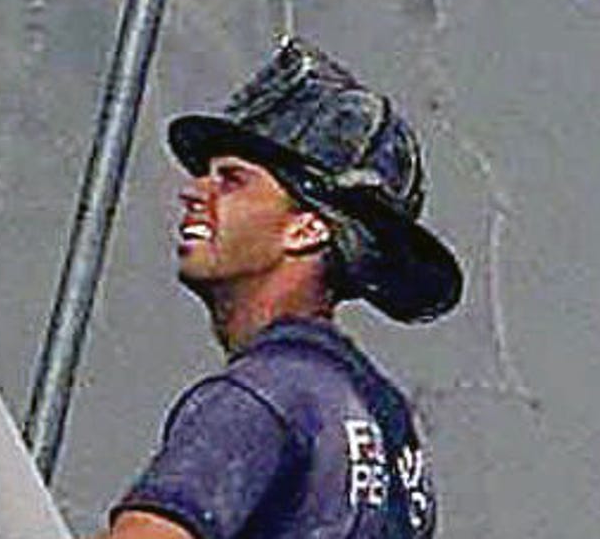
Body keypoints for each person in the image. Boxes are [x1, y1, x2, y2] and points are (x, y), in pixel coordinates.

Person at [91, 41, 461, 539]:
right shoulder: (386, 424)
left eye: (232, 179)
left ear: (308, 228)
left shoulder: (267, 393)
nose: (194, 191)